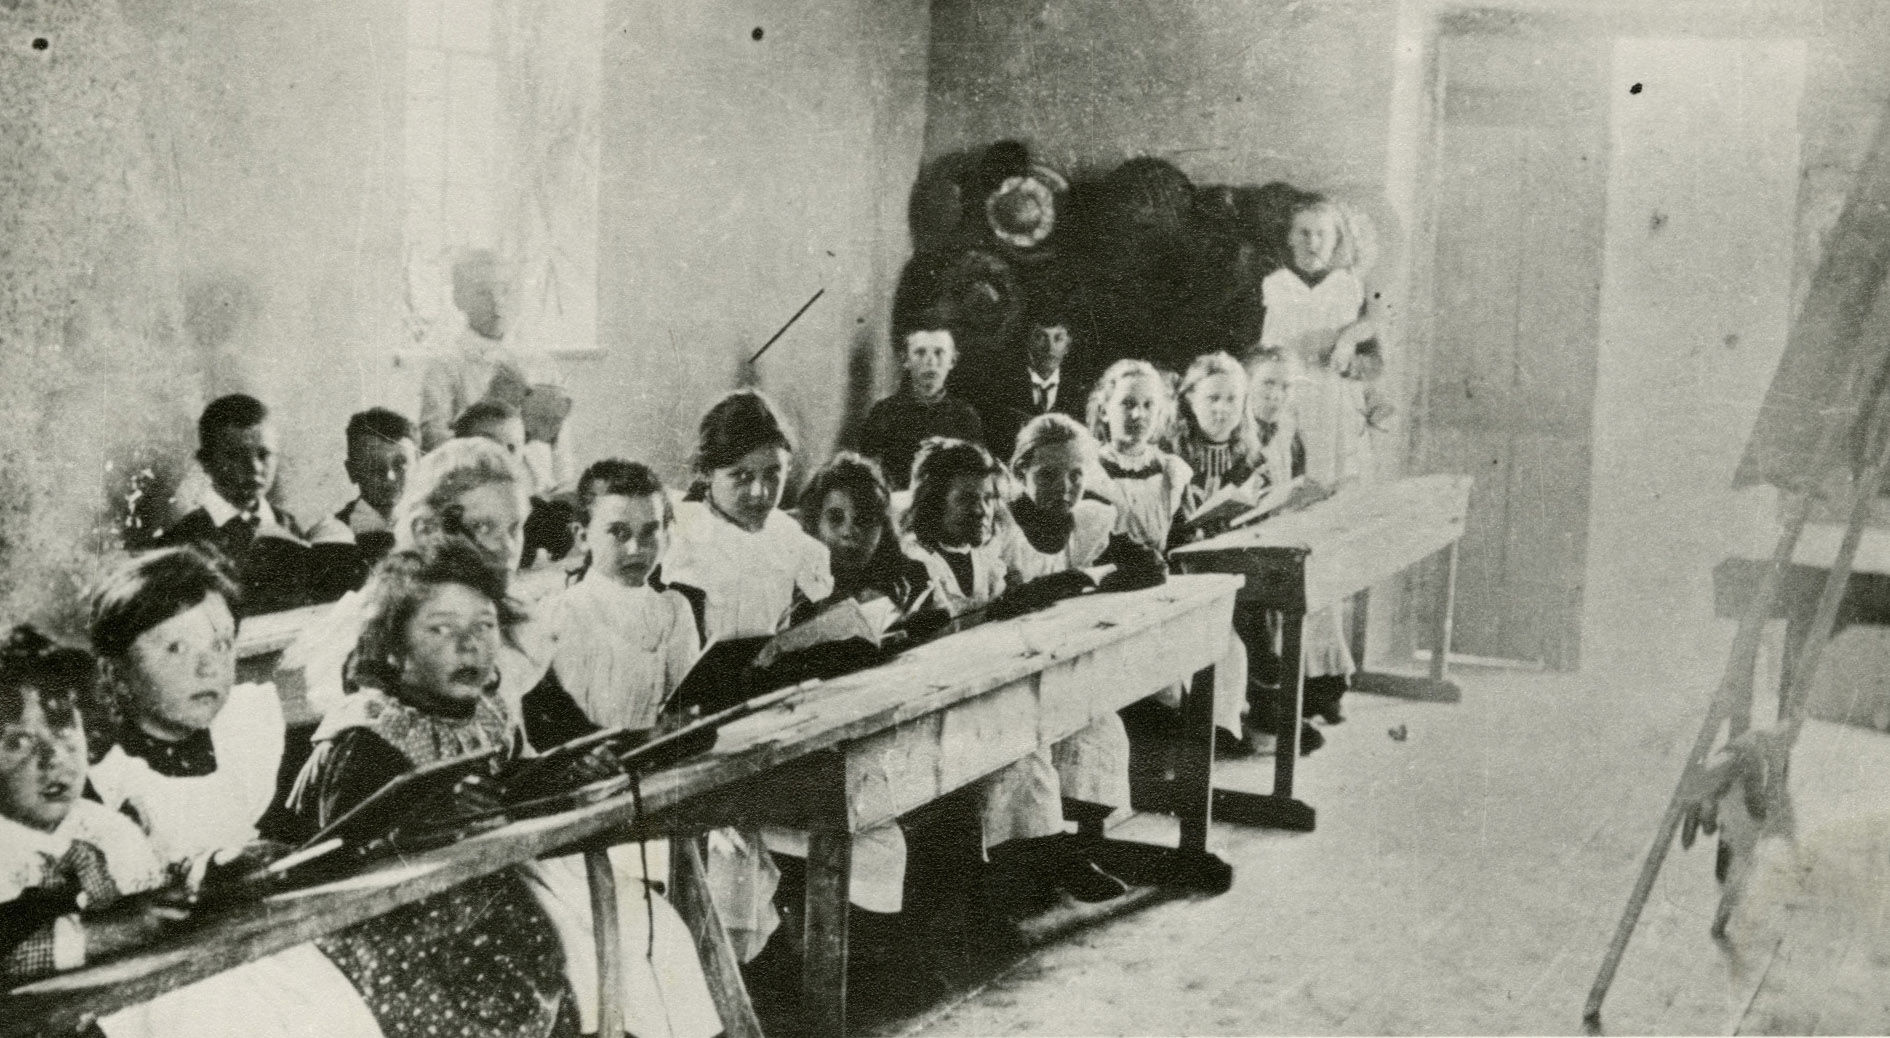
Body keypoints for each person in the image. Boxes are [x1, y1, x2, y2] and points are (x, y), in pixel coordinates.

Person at [82, 553, 386, 1038]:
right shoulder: (110, 774)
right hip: (171, 972)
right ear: (115, 672)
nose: (208, 665)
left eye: (222, 644)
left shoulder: (240, 737)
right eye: (176, 648)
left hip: (261, 944)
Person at [287, 544, 582, 1038]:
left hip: (477, 904)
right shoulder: (369, 735)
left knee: (550, 959)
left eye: (484, 626)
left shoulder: (487, 713)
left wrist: (562, 774)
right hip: (384, 930)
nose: (469, 645)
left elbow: (510, 785)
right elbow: (331, 861)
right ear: (393, 647)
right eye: (441, 628)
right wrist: (415, 826)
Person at [899, 437, 1129, 903]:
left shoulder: (985, 554)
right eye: (966, 499)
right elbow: (933, 637)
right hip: (936, 700)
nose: (982, 510)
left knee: (1091, 721)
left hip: (992, 683)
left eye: (987, 498)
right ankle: (1034, 863)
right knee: (1021, 750)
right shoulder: (918, 561)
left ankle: (1079, 844)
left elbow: (1008, 605)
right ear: (932, 502)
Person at [527, 459, 695, 744]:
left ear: (665, 534)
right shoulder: (564, 612)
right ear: (583, 537)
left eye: (649, 531)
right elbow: (565, 732)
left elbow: (686, 711)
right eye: (618, 532)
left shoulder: (673, 609)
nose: (635, 549)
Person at [156, 394, 349, 614]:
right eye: (235, 456)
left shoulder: (286, 525)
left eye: (264, 454)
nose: (254, 467)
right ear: (206, 462)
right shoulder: (183, 540)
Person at [1256, 192, 1383, 486]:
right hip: (1285, 392)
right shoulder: (1273, 285)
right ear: (1289, 238)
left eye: (1321, 234)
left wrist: (1347, 341)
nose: (1312, 243)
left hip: (1333, 396)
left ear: (1336, 239)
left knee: (1335, 472)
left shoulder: (1349, 286)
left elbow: (1374, 343)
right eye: (1303, 233)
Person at [795, 452, 932, 611]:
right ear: (815, 524)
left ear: (883, 527)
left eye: (864, 519)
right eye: (835, 518)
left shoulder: (912, 578)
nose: (849, 532)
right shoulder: (795, 591)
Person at [857, 321, 985, 490]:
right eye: (920, 352)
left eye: (939, 352)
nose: (930, 361)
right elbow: (866, 473)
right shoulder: (884, 412)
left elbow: (975, 475)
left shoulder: (965, 416)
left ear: (953, 360)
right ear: (905, 360)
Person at [1086, 360, 1193, 554]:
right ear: (1104, 411)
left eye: (1148, 405)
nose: (1138, 414)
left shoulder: (1173, 472)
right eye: (1128, 404)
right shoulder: (1090, 472)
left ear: (1159, 411)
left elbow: (1182, 542)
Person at [453, 400, 574, 569]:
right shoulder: (445, 512)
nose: (502, 455)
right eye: (490, 444)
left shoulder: (533, 514)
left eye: (512, 447)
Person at [970, 318, 1088, 464]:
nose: (1049, 347)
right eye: (1040, 337)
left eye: (1058, 338)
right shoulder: (1001, 387)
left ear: (1068, 346)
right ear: (1027, 342)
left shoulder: (1080, 393)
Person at [335, 407, 417, 578]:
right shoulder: (335, 534)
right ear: (352, 472)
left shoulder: (429, 525)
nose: (390, 477)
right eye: (374, 466)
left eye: (400, 464)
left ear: (418, 465)